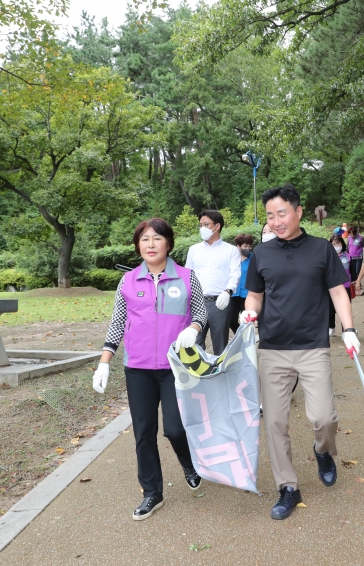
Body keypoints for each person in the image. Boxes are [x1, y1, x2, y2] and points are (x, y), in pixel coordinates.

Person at [238, 183, 359, 521]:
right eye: (269, 216)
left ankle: (323, 451)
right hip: (273, 349)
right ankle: (288, 487)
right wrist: (249, 312)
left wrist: (348, 330)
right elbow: (256, 296)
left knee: (324, 418)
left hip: (312, 347)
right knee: (275, 422)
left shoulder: (322, 249)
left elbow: (338, 292)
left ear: (298, 211)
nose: (276, 221)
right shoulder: (262, 253)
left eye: (282, 213)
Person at [92, 218, 208, 521]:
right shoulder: (128, 281)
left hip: (175, 367)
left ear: (168, 243)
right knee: (144, 432)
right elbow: (118, 323)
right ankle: (152, 493)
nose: (151, 244)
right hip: (138, 368)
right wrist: (105, 362)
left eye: (157, 238)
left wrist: (194, 328)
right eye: (145, 240)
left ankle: (188, 463)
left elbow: (200, 312)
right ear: (138, 246)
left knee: (175, 428)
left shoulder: (186, 277)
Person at [185, 210, 241, 355]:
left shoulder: (231, 251)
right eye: (200, 225)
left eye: (206, 224)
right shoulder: (194, 250)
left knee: (220, 345)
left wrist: (228, 291)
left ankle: (220, 375)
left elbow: (235, 274)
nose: (202, 228)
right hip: (197, 303)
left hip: (220, 303)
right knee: (194, 343)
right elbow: (187, 275)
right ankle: (197, 375)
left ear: (217, 226)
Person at [228, 233, 254, 335]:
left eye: (249, 246)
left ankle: (247, 342)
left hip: (247, 295)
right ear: (238, 246)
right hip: (234, 294)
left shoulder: (254, 259)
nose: (248, 248)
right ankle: (241, 336)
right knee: (231, 320)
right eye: (245, 246)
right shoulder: (232, 259)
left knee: (247, 321)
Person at [328, 234, 353, 336]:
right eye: (333, 244)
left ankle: (345, 330)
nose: (336, 245)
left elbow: (353, 272)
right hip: (330, 286)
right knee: (330, 309)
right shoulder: (328, 257)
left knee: (345, 309)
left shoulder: (348, 257)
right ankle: (331, 327)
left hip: (345, 286)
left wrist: (355, 282)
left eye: (338, 243)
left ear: (342, 243)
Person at [346, 226, 364, 294]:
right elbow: (347, 247)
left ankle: (358, 284)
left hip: (358, 257)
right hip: (351, 257)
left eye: (352, 233)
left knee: (358, 271)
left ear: (355, 233)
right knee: (352, 271)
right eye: (350, 233)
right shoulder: (349, 238)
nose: (351, 235)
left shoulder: (361, 238)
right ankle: (353, 285)